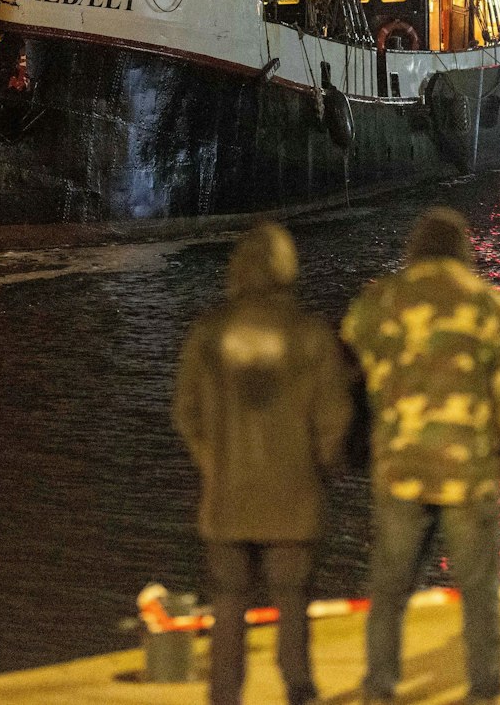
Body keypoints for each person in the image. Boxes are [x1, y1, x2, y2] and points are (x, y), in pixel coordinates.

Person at [341, 207, 500, 705]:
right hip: (467, 472)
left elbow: (344, 372)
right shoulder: (489, 306)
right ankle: (482, 689)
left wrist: (356, 446)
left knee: (389, 587)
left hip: (400, 468)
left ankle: (380, 687)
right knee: (477, 589)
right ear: (463, 252)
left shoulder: (379, 301)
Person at [173, 223, 354, 705]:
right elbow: (335, 419)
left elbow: (186, 412)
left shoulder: (209, 334)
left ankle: (225, 694)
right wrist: (317, 467)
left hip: (227, 499)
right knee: (292, 601)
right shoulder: (312, 336)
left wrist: (213, 463)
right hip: (294, 500)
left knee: (228, 602)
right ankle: (298, 689)